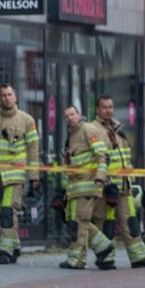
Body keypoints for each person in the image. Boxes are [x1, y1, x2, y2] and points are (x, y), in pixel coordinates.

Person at [91, 95, 145, 268]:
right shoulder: (93, 130)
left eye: (110, 107)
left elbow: (125, 160)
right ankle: (106, 259)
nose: (108, 110)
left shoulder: (118, 128)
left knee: (131, 222)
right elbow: (96, 160)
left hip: (124, 186)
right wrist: (104, 183)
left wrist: (132, 182)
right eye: (104, 107)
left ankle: (139, 257)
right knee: (105, 223)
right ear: (97, 109)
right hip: (106, 188)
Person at [0, 84, 40, 265]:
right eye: (3, 95)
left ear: (15, 97)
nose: (7, 98)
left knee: (6, 211)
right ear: (0, 98)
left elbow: (33, 150)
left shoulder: (26, 120)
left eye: (10, 94)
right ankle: (15, 245)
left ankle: (4, 251)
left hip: (14, 176)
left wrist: (34, 177)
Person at [58, 105, 117, 270]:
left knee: (79, 222)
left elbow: (102, 156)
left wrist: (100, 178)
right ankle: (103, 247)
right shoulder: (72, 135)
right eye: (66, 116)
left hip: (87, 186)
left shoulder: (87, 130)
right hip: (75, 188)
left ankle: (76, 260)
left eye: (72, 114)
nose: (69, 118)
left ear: (79, 114)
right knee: (77, 222)